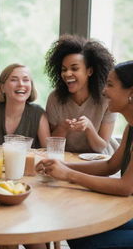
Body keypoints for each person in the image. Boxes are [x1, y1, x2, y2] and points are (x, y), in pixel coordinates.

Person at [36, 60, 133, 249]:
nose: (104, 91)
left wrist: (69, 175)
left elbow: (125, 187)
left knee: (86, 241)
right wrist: (58, 167)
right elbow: (110, 166)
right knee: (75, 227)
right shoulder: (131, 128)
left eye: (110, 85)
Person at [45, 34, 118, 154]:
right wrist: (63, 128)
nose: (67, 74)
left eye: (74, 68)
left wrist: (89, 128)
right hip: (67, 160)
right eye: (64, 69)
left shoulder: (107, 100)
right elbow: (52, 145)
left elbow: (100, 147)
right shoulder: (55, 98)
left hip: (100, 159)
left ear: (89, 71)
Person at [0, 63, 50, 148]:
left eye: (26, 80)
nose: (21, 84)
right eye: (14, 80)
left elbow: (47, 151)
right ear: (2, 88)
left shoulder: (38, 113)